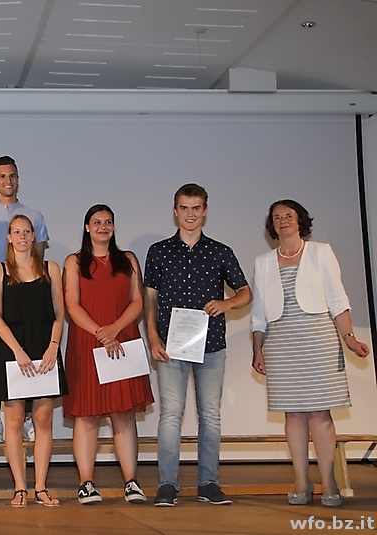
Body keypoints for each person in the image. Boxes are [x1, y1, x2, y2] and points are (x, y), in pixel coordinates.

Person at [251, 200, 370, 507]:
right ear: (272, 225)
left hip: (318, 340)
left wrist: (350, 338)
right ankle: (302, 481)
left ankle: (329, 480)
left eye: (288, 216)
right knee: (292, 414)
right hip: (281, 343)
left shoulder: (321, 252)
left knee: (319, 412)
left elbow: (338, 299)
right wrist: (257, 349)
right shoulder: (263, 262)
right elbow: (259, 313)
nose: (282, 221)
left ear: (300, 220)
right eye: (277, 217)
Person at [144, 183, 251, 507]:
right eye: (184, 208)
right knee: (170, 415)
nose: (190, 214)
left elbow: (245, 292)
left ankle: (208, 483)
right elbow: (150, 300)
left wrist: (227, 303)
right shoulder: (159, 251)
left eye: (196, 208)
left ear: (204, 211)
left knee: (210, 415)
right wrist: (152, 337)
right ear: (175, 211)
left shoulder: (220, 251)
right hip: (170, 345)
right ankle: (167, 485)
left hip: (211, 345)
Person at [63, 204, 154, 505]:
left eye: (108, 222)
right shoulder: (74, 261)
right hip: (87, 344)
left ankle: (131, 482)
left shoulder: (128, 260)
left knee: (123, 413)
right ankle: (86, 483)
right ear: (87, 227)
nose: (103, 227)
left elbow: (137, 301)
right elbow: (72, 304)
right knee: (87, 415)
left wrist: (114, 329)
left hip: (122, 340)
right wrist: (100, 332)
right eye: (97, 222)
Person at [0, 215, 65, 507]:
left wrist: (53, 347)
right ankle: (20, 487)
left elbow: (59, 313)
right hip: (12, 350)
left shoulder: (50, 268)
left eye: (27, 231)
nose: (22, 236)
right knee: (15, 421)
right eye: (16, 232)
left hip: (45, 349)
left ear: (34, 236)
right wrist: (18, 351)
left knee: (43, 420)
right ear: (9, 237)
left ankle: (41, 487)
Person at [0, 156, 49, 443]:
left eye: (12, 175)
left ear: (18, 179)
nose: (8, 180)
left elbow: (38, 258)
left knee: (30, 353)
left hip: (26, 295)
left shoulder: (34, 215)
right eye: (2, 176)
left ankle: (28, 417)